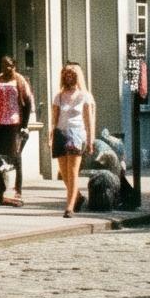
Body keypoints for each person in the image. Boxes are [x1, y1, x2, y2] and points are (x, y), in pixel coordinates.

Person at [0, 55, 35, 206]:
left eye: (9, 65)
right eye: (4, 65)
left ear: (15, 66)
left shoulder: (19, 80)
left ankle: (17, 189)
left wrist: (25, 125)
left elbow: (28, 102)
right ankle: (1, 185)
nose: (6, 68)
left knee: (14, 156)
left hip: (13, 123)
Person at [49, 63, 98, 218]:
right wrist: (51, 135)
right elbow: (54, 118)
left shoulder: (84, 96)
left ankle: (69, 207)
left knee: (72, 172)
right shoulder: (59, 96)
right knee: (63, 173)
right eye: (66, 75)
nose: (68, 77)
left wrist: (90, 140)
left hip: (76, 134)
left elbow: (89, 120)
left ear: (77, 77)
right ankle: (78, 196)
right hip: (60, 133)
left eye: (71, 75)